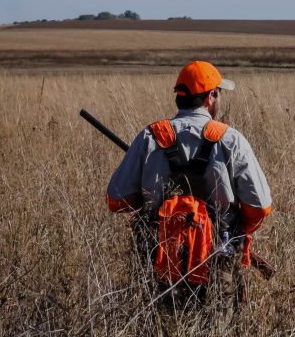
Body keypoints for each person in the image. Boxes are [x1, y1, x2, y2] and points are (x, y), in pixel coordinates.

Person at [106, 60, 272, 324]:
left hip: (158, 257)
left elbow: (116, 200)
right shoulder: (230, 139)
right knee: (216, 325)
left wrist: (153, 204)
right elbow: (260, 207)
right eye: (219, 93)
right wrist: (235, 230)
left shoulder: (151, 136)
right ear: (210, 97)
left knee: (161, 325)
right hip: (218, 256)